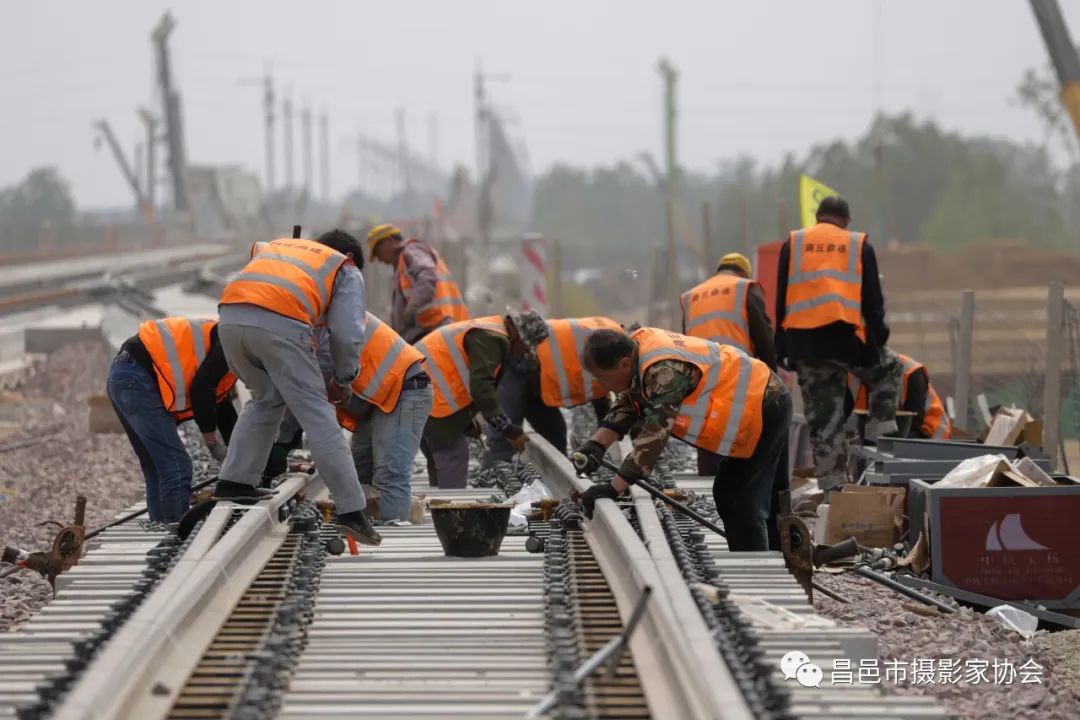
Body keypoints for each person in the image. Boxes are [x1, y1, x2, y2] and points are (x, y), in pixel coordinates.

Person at [215, 229, 381, 545]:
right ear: (350, 257)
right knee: (318, 414)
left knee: (265, 398)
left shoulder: (281, 249)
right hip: (279, 321)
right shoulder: (344, 268)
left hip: (230, 317)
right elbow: (347, 334)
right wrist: (343, 379)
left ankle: (234, 480)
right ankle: (352, 511)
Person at [572, 327, 792, 552]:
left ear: (624, 364)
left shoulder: (664, 371)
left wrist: (613, 487)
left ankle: (758, 562)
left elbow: (653, 436)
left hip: (763, 404)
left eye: (601, 376)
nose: (602, 384)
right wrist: (596, 445)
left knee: (740, 497)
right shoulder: (639, 350)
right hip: (759, 400)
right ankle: (779, 554)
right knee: (742, 494)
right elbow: (630, 402)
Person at [775, 195, 900, 492]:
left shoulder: (794, 243)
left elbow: (782, 298)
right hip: (847, 343)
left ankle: (834, 492)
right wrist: (877, 341)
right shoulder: (858, 244)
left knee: (824, 422)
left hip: (806, 347)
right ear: (846, 221)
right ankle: (877, 437)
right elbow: (873, 302)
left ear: (817, 217)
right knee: (891, 367)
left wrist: (782, 346)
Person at [107, 317, 237, 524]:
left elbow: (223, 408)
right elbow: (201, 388)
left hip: (124, 375)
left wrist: (238, 454)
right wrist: (213, 444)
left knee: (157, 468)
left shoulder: (226, 338)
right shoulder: (231, 345)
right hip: (138, 379)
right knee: (177, 465)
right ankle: (175, 531)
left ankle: (161, 530)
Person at [416, 311, 543, 488]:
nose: (524, 352)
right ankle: (452, 504)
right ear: (517, 334)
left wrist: (465, 422)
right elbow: (481, 387)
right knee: (454, 455)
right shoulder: (493, 339)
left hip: (418, 394)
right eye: (526, 347)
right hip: (429, 399)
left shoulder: (489, 330)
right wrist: (506, 428)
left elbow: (459, 376)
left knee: (439, 460)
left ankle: (439, 500)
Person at [680, 251, 777, 477]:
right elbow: (763, 334)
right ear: (743, 272)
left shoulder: (691, 295)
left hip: (699, 371)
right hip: (736, 369)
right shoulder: (745, 287)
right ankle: (737, 481)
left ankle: (708, 481)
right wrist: (772, 374)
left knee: (707, 426)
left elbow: (685, 335)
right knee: (738, 429)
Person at [481, 315, 620, 465]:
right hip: (522, 361)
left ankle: (557, 468)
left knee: (555, 434)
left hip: (540, 376)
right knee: (506, 434)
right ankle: (496, 468)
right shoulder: (611, 351)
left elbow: (602, 397)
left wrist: (607, 428)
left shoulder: (611, 345)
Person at [366, 224, 468, 343]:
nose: (379, 259)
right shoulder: (401, 265)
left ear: (390, 241)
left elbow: (428, 276)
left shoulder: (412, 251)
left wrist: (412, 307)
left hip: (437, 326)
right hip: (429, 330)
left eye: (378, 252)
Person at [847, 349, 951, 440]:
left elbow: (916, 420)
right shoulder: (853, 373)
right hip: (883, 435)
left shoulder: (911, 371)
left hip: (929, 436)